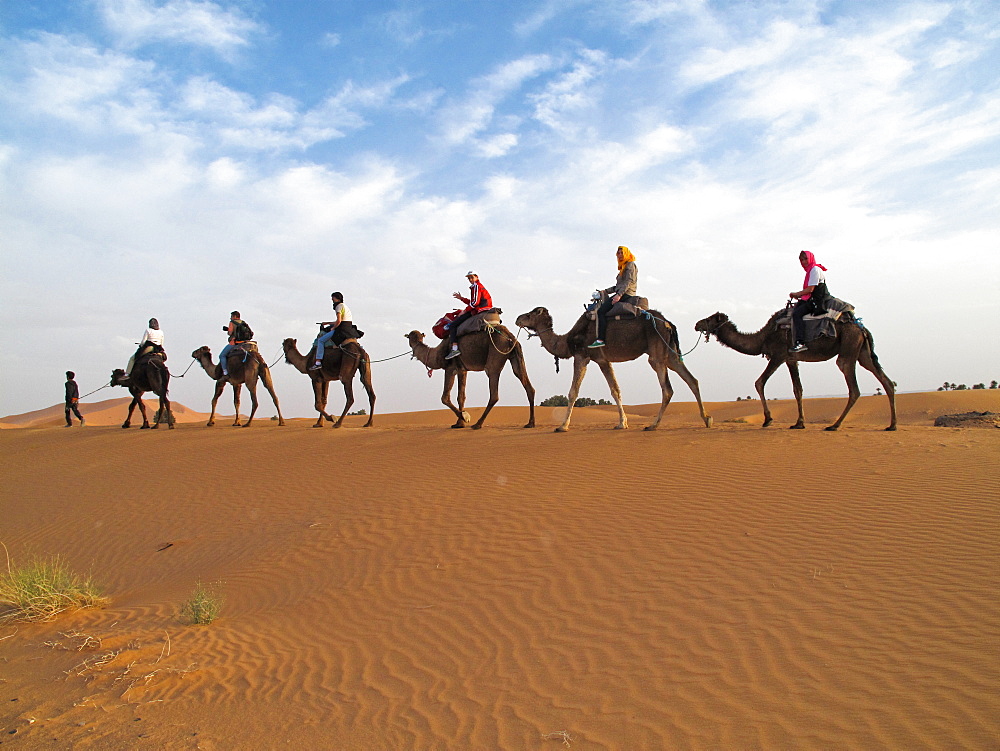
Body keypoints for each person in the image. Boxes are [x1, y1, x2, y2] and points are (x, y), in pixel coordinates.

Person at [589, 246, 637, 348]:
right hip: (622, 292)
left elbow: (628, 282)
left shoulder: (630, 265)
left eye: (622, 253)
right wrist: (605, 291)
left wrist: (619, 295)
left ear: (627, 254)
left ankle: (601, 339)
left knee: (601, 311)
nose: (620, 255)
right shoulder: (623, 267)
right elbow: (618, 286)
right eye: (618, 253)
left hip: (626, 294)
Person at [446, 271, 493, 359]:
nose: (470, 280)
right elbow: (473, 302)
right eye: (469, 278)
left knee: (453, 325)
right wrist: (462, 299)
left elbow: (475, 303)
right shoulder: (477, 286)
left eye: (472, 277)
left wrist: (464, 311)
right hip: (483, 308)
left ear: (476, 277)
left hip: (480, 310)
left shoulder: (476, 286)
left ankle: (454, 349)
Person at [788, 250, 829, 353]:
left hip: (816, 300)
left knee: (797, 314)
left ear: (810, 258)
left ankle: (800, 342)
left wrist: (797, 294)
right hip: (810, 298)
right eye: (801, 260)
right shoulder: (810, 271)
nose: (804, 262)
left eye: (805, 259)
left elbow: (810, 289)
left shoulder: (814, 270)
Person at [311, 292, 361, 370]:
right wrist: (327, 323)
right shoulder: (344, 306)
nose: (332, 299)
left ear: (336, 298)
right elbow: (341, 321)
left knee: (320, 340)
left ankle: (318, 362)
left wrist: (333, 328)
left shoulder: (338, 306)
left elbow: (339, 321)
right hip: (347, 327)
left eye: (333, 298)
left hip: (342, 329)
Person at [220, 311, 254, 377]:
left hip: (235, 343)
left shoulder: (232, 323)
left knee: (222, 355)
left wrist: (228, 330)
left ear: (235, 316)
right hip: (245, 343)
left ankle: (225, 371)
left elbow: (230, 333)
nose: (230, 318)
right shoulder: (243, 323)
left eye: (231, 317)